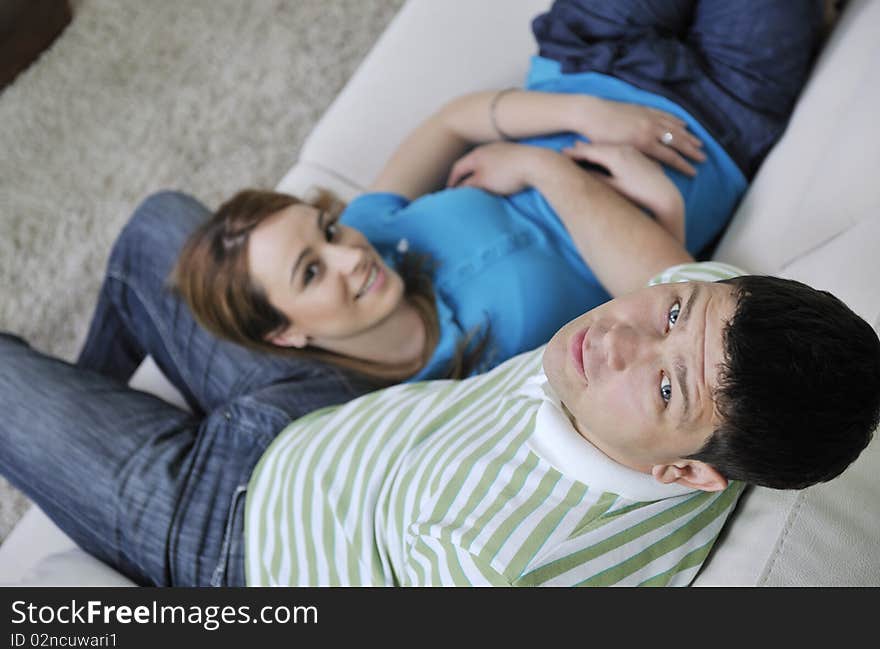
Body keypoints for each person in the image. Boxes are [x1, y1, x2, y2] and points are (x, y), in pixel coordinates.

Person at [7, 0, 874, 587]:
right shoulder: (723, 325)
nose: (620, 333)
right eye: (672, 317)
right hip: (325, 399)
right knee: (163, 221)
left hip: (226, 526)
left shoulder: (492, 563)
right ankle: (100, 388)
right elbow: (673, 280)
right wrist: (550, 167)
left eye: (661, 384)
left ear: (685, 472)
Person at [80, 0, 827, 425]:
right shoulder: (444, 395)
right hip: (718, 119)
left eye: (327, 231)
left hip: (594, 58)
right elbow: (667, 289)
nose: (351, 252)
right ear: (287, 331)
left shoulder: (373, 233)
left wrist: (584, 111)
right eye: (313, 269)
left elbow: (451, 124)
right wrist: (545, 167)